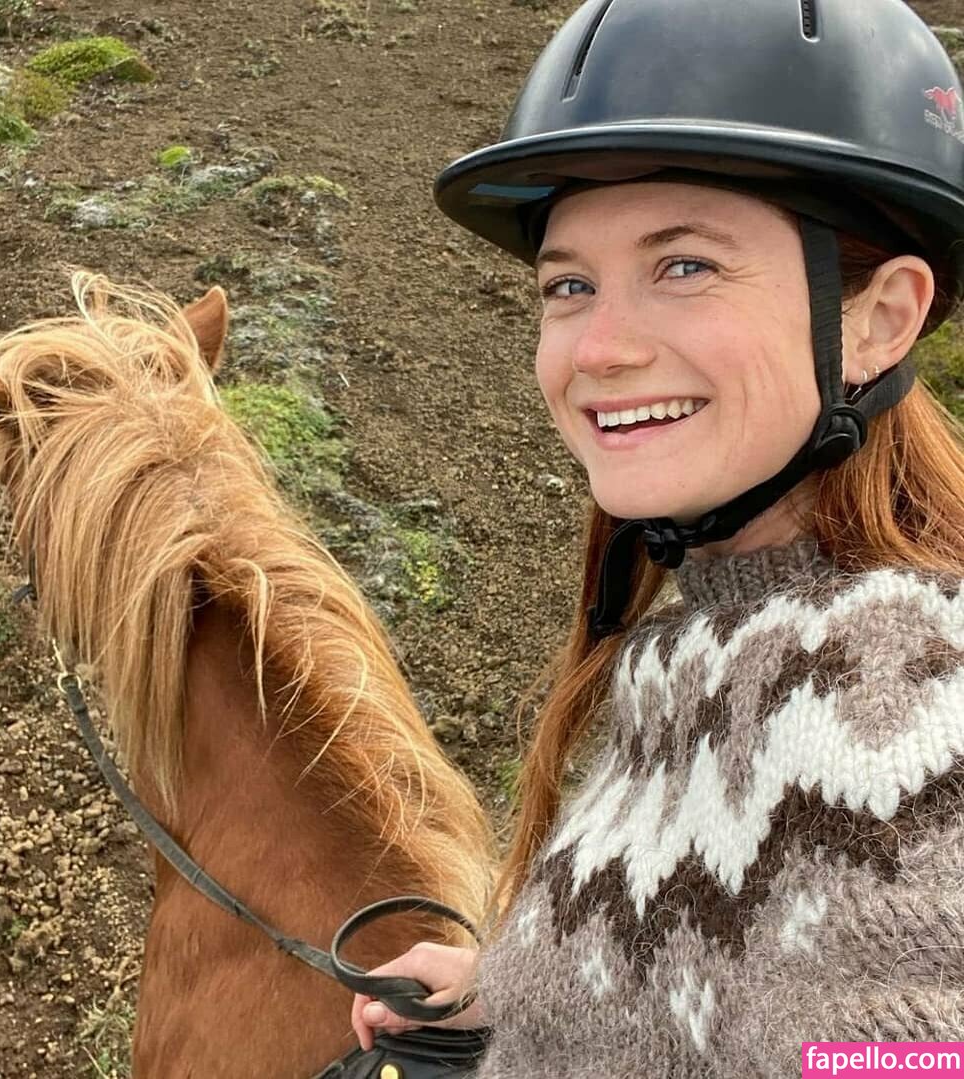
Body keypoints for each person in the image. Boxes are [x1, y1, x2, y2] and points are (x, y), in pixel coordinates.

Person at [351, 0, 964, 1073]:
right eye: (569, 285)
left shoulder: (905, 721)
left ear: (879, 318)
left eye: (685, 266)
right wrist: (519, 992)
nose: (598, 348)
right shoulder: (713, 643)